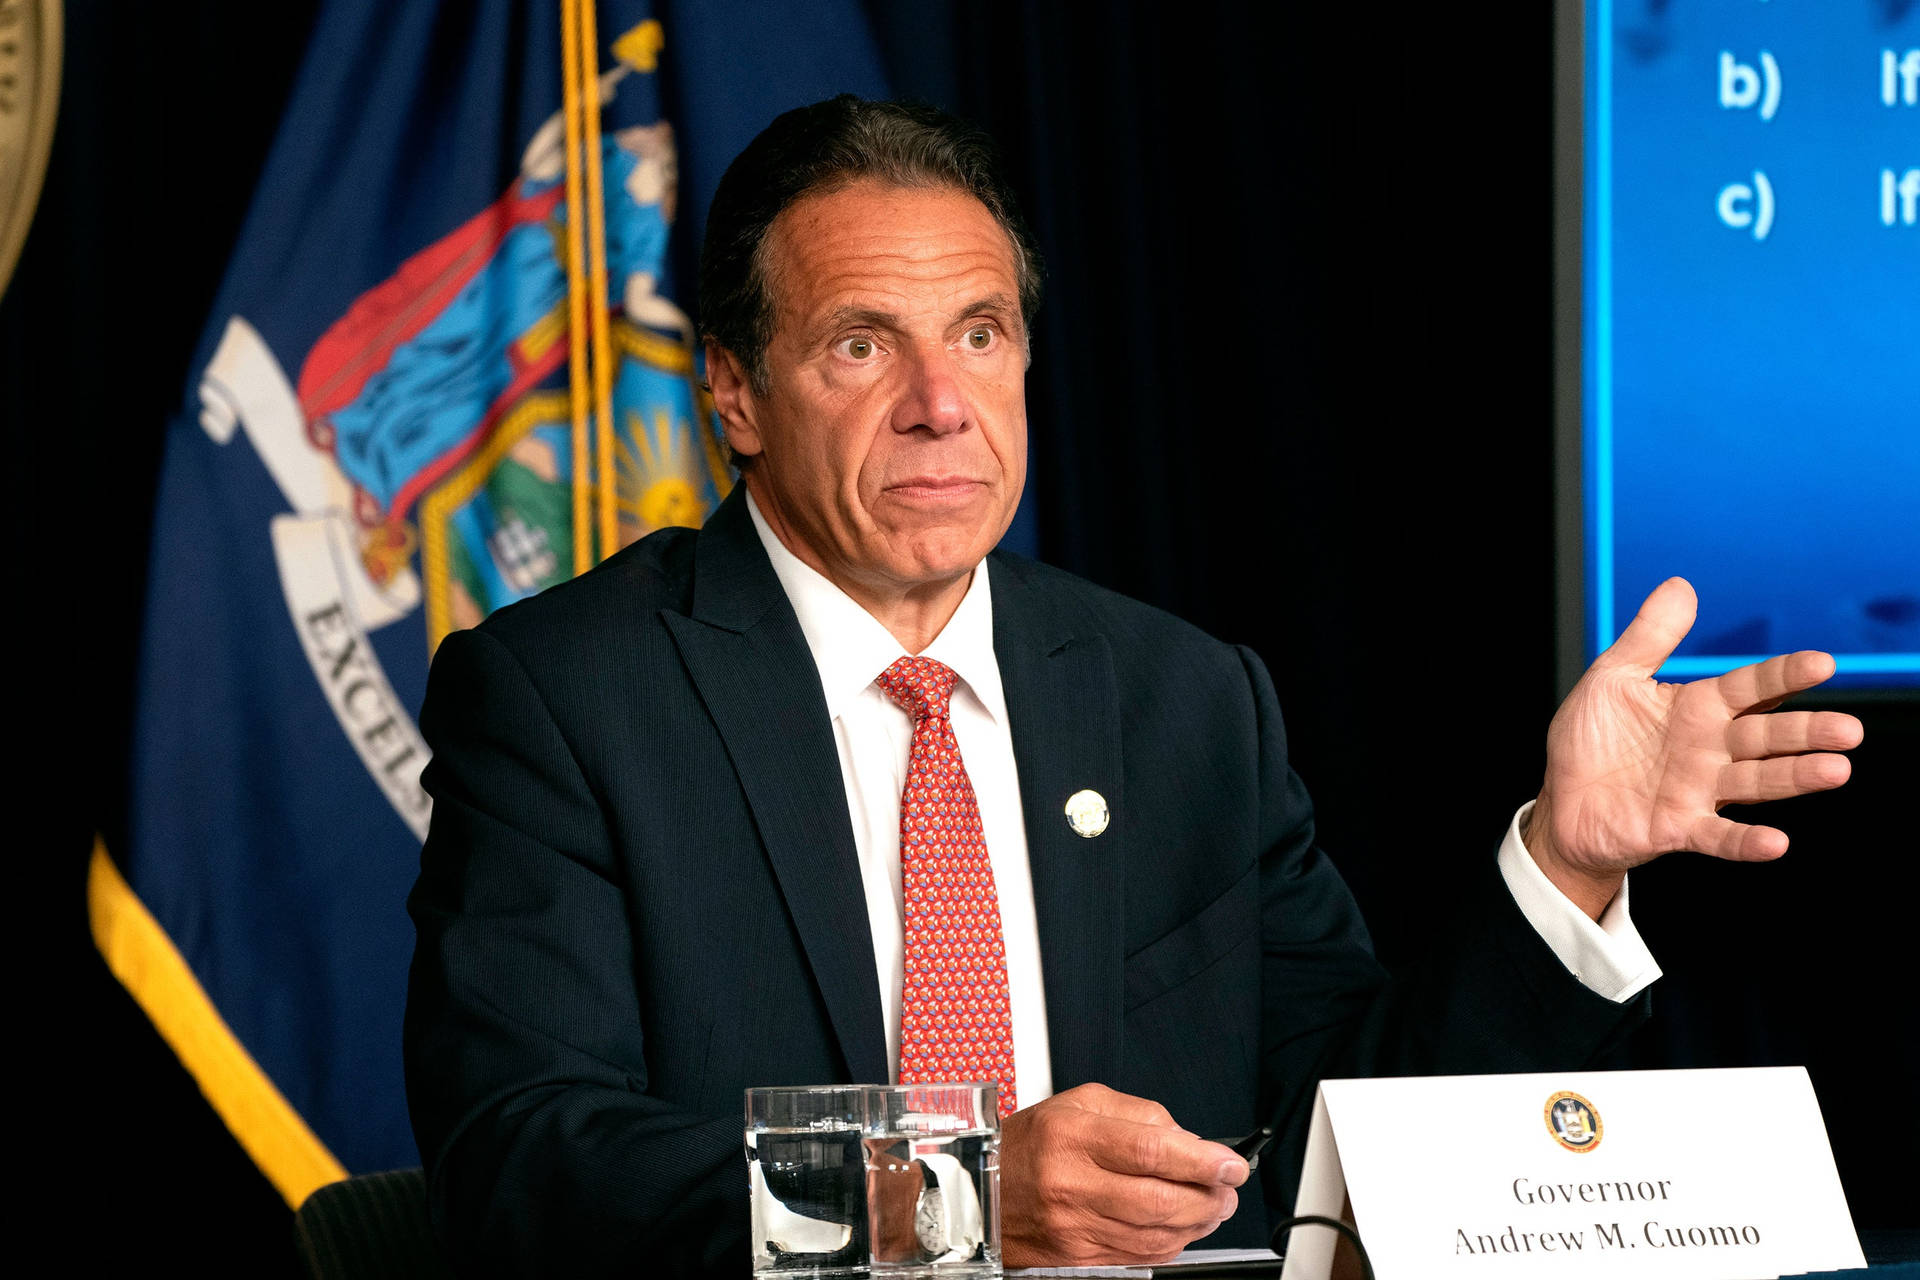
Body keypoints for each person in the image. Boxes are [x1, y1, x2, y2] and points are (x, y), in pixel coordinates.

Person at [403, 97, 1862, 1276]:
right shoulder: (567, 698)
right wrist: (951, 1200)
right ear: (732, 391)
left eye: (980, 335)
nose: (940, 402)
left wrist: (1564, 865)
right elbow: (527, 1164)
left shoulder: (1181, 700)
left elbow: (1343, 1127)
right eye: (864, 344)